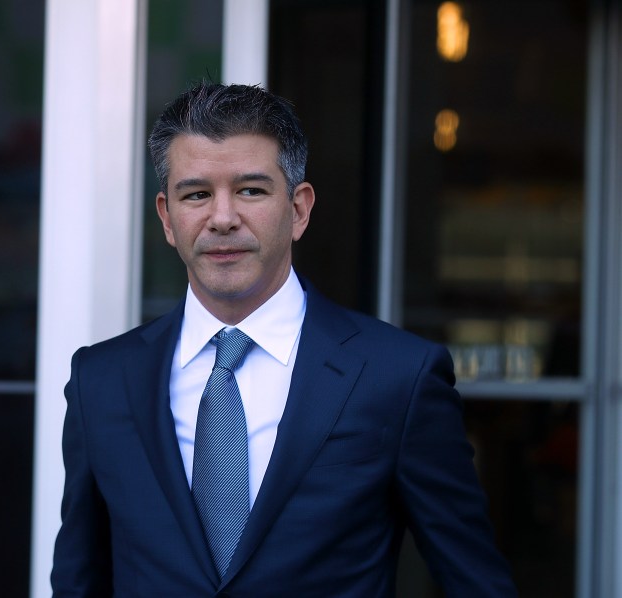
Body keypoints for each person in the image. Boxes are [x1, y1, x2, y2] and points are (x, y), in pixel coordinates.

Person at [52, 82, 517, 596]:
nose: (222, 218)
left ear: (299, 209)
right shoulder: (101, 381)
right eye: (197, 194)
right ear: (167, 217)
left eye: (251, 190)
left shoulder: (398, 378)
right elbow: (80, 581)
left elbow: (475, 582)